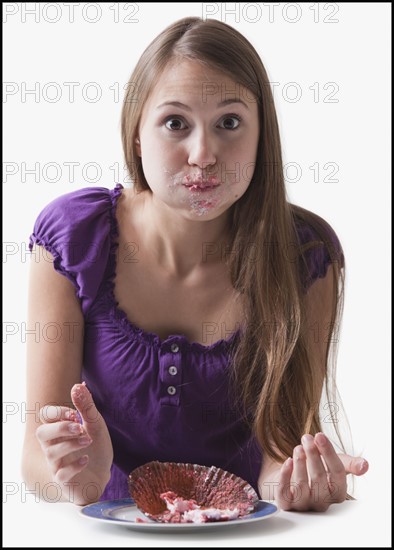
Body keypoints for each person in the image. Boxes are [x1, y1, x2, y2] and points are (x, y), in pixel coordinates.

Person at [22, 16, 368, 512]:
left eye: (229, 123)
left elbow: (278, 453)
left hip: (249, 535)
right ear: (138, 134)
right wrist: (76, 478)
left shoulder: (306, 256)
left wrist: (297, 480)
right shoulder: (73, 238)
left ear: (260, 136)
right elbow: (34, 454)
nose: (203, 155)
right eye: (175, 123)